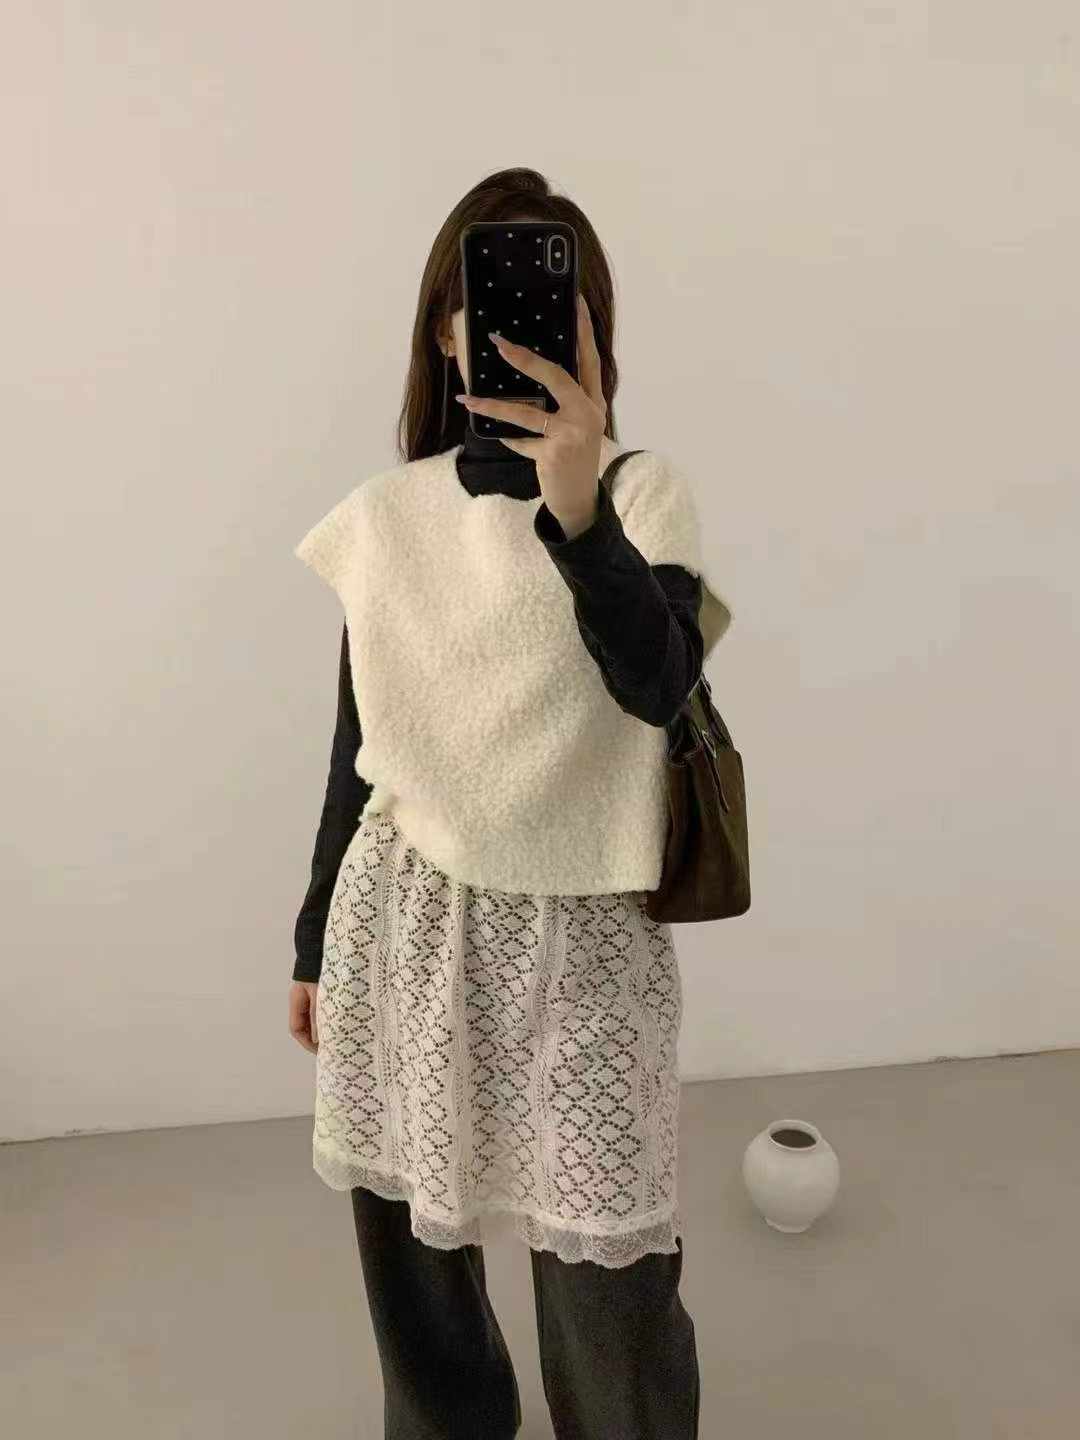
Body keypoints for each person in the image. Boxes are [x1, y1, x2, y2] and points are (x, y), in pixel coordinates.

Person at [287, 167, 732, 1440]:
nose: (520, 329)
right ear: (446, 332)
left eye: (557, 303)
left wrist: (578, 510)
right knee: (417, 1280)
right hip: (403, 920)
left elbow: (658, 684)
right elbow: (358, 748)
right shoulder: (382, 519)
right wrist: (314, 939)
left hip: (584, 938)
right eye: (485, 304)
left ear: (594, 331)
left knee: (609, 1293)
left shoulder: (643, 492)